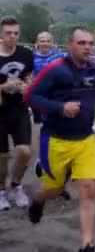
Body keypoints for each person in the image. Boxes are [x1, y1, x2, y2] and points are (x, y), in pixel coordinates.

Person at [25, 26, 95, 252]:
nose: (87, 47)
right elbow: (30, 97)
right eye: (82, 43)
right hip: (56, 141)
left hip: (85, 141)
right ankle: (39, 200)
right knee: (54, 191)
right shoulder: (55, 70)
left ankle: (87, 245)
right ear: (70, 45)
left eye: (90, 43)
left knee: (88, 188)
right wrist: (60, 107)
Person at [32, 31, 72, 201]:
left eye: (48, 40)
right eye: (42, 40)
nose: (45, 43)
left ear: (53, 43)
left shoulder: (60, 57)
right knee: (46, 139)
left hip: (59, 103)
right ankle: (43, 164)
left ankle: (60, 184)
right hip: (41, 104)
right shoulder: (31, 59)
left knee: (66, 144)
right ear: (37, 43)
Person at [0, 17, 34, 211]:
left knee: (24, 151)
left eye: (16, 33)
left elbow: (29, 77)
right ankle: (1, 192)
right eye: (8, 33)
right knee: (2, 157)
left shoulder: (25, 54)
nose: (12, 37)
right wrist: (6, 86)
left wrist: (26, 86)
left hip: (19, 109)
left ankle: (16, 184)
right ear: (1, 34)